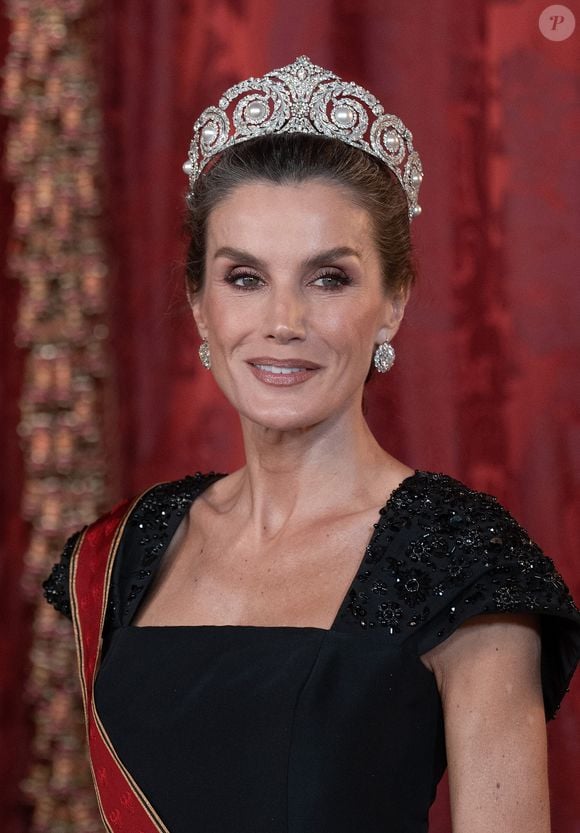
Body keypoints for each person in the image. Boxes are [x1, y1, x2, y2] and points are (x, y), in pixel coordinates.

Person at [43, 56, 580, 833]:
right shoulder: (126, 551)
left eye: (328, 278)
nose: (283, 321)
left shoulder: (461, 560)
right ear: (199, 306)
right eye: (244, 278)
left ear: (392, 304)